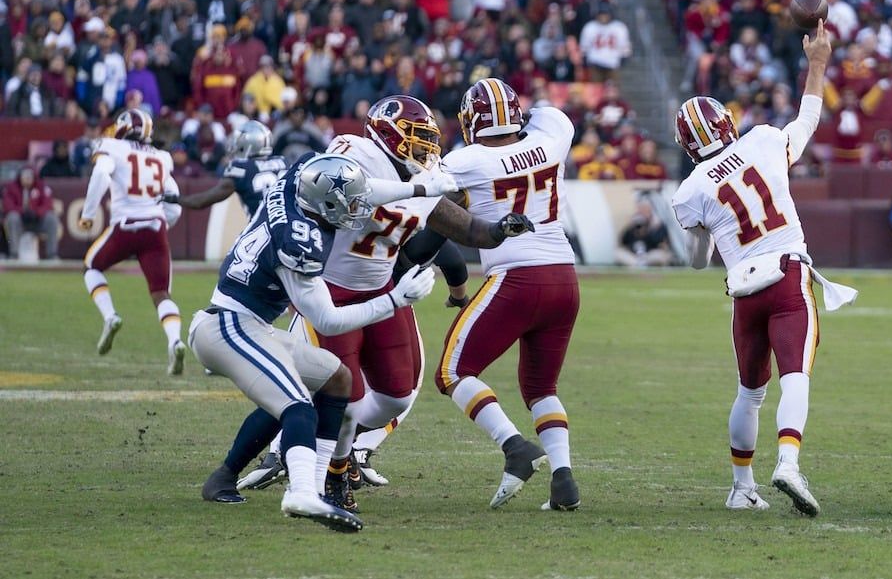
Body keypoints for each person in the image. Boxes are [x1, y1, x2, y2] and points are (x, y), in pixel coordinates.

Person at [231, 97, 533, 511]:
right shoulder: (355, 154)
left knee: (396, 394)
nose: (427, 149)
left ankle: (338, 448)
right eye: (419, 139)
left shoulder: (422, 175)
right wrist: (420, 187)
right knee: (345, 398)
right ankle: (328, 475)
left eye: (430, 140)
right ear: (390, 135)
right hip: (331, 290)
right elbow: (358, 193)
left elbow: (458, 225)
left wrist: (499, 231)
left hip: (381, 291)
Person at [189, 152, 445, 530]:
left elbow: (366, 189)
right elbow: (328, 320)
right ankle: (302, 493)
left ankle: (232, 478)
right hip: (226, 326)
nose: (360, 208)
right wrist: (395, 300)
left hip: (250, 323)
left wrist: (421, 187)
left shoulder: (299, 180)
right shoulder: (299, 241)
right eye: (351, 205)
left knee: (336, 380)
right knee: (297, 407)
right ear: (326, 206)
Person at [670, 22, 856, 516]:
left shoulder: (690, 190)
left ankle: (740, 487)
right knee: (795, 375)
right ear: (727, 123)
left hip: (744, 291)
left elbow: (694, 262)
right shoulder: (764, 140)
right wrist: (817, 62)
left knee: (750, 392)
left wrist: (711, 230)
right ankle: (789, 463)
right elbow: (809, 117)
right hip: (788, 274)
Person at [438, 78, 581, 511]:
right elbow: (543, 113)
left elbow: (432, 205)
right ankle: (564, 480)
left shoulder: (463, 160)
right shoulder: (552, 133)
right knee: (541, 386)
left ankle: (515, 447)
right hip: (564, 277)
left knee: (452, 371)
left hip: (516, 278)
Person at [80, 109, 185, 374]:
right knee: (161, 293)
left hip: (126, 225)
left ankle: (110, 316)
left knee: (91, 267)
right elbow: (174, 201)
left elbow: (101, 175)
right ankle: (175, 341)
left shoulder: (112, 147)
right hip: (155, 228)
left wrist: (88, 214)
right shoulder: (163, 157)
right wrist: (162, 224)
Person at [162, 121, 285, 216]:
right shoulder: (283, 162)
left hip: (264, 229)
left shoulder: (239, 169)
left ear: (250, 144)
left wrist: (176, 199)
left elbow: (200, 202)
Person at [4, 167, 59, 260]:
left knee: (51, 219)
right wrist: (23, 212)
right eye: (25, 177)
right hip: (20, 222)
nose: (27, 179)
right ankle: (14, 254)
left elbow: (48, 204)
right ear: (20, 177)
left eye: (30, 177)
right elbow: (8, 206)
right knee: (12, 217)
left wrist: (36, 213)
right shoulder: (11, 188)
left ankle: (52, 254)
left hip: (37, 221)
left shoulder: (41, 187)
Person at [616, 196, 672, 267]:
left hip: (650, 254)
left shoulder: (657, 224)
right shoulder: (634, 224)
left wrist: (649, 231)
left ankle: (640, 265)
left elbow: (660, 242)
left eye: (645, 210)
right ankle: (637, 264)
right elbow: (623, 241)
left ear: (650, 210)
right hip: (633, 255)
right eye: (640, 210)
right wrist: (631, 228)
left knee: (662, 256)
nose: (642, 212)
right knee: (619, 254)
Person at [578, 7, 632, 81]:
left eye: (605, 15)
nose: (603, 17)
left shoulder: (619, 27)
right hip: (595, 62)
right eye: (601, 15)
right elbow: (584, 46)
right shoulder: (590, 27)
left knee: (613, 89)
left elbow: (625, 46)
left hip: (613, 63)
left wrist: (624, 58)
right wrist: (585, 59)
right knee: (596, 88)